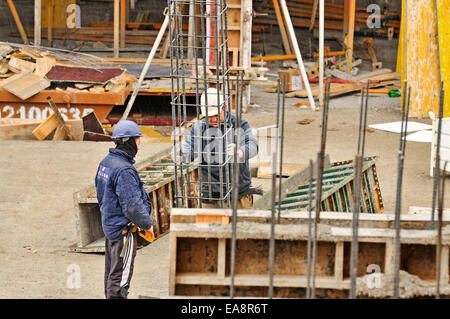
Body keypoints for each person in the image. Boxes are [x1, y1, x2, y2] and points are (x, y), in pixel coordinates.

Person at [95, 120, 154, 299]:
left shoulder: (107, 162)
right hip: (123, 232)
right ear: (128, 141)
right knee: (121, 279)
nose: (139, 145)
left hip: (110, 227)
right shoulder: (124, 170)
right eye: (137, 140)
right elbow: (133, 206)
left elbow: (101, 195)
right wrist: (147, 224)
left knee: (111, 273)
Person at [173, 88, 259, 209]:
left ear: (226, 107)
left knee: (240, 226)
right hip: (210, 193)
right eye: (209, 116)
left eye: (216, 115)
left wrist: (240, 151)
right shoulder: (199, 127)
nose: (213, 119)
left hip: (237, 192)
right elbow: (190, 148)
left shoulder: (239, 125)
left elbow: (252, 145)